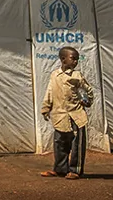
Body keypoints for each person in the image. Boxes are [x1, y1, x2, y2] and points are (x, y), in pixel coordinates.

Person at [41, 46, 94, 179]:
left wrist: (87, 101)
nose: (76, 61)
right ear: (63, 59)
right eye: (73, 58)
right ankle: (60, 169)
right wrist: (46, 108)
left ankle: (75, 170)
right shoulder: (54, 75)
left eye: (77, 59)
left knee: (77, 144)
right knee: (60, 143)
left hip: (76, 115)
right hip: (60, 116)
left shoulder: (77, 75)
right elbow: (50, 92)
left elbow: (88, 90)